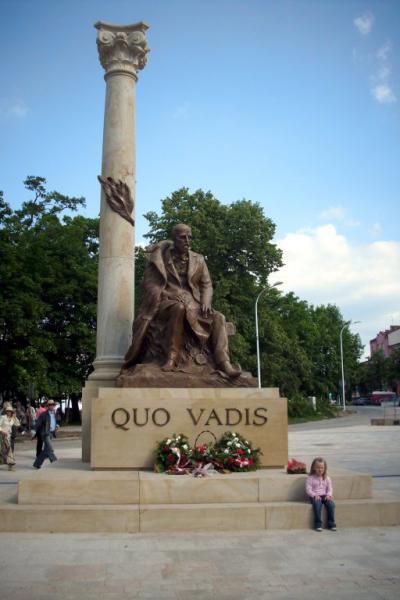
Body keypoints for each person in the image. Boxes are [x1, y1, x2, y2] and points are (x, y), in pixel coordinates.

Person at [124, 223, 241, 377]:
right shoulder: (160, 259)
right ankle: (172, 357)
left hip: (194, 304)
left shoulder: (199, 259)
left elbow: (206, 285)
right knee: (178, 308)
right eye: (182, 237)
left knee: (219, 317)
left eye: (189, 237)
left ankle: (224, 362)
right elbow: (150, 286)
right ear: (174, 239)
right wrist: (169, 295)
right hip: (166, 303)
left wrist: (206, 302)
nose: (187, 241)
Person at [306, 457, 337, 532]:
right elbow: (308, 490)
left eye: (322, 468)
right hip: (314, 496)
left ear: (325, 468)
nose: (320, 469)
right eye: (318, 467)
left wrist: (329, 495)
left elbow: (330, 488)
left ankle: (331, 523)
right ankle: (318, 524)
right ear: (314, 468)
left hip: (325, 495)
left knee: (331, 505)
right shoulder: (310, 478)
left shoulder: (327, 478)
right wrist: (314, 495)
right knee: (317, 505)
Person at [32, 400, 59, 469]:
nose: (52, 406)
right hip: (45, 433)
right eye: (50, 405)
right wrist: (34, 430)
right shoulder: (44, 414)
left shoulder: (54, 413)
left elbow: (55, 421)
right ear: (48, 406)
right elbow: (38, 422)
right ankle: (55, 461)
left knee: (46, 449)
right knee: (50, 448)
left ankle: (37, 464)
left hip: (51, 433)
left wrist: (57, 425)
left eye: (53, 405)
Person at [0, 403, 21, 471]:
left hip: (8, 436)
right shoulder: (3, 417)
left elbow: (18, 424)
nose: (9, 412)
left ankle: (10, 464)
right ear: (6, 412)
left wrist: (15, 417)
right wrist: (2, 431)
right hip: (2, 435)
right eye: (8, 411)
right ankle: (10, 463)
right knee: (6, 449)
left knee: (8, 450)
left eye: (10, 411)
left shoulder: (12, 419)